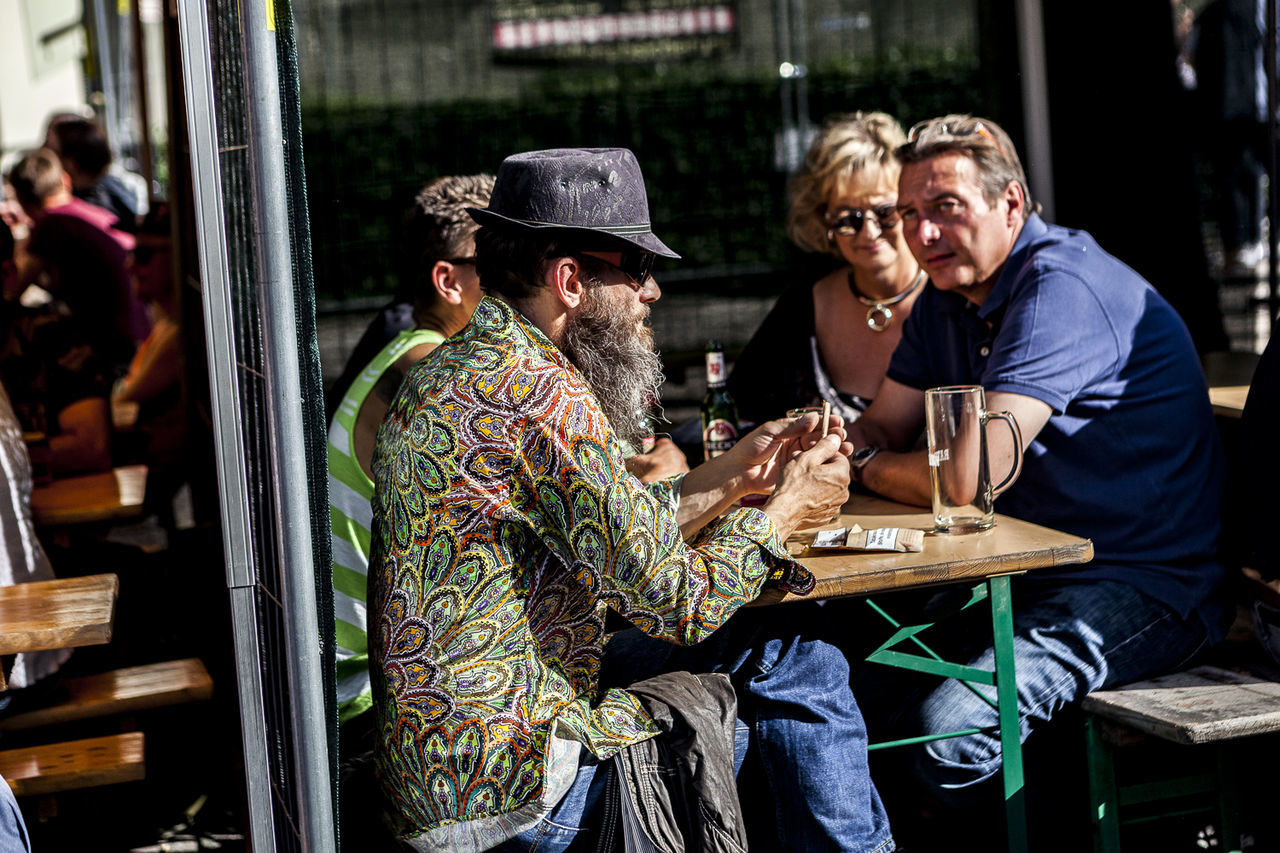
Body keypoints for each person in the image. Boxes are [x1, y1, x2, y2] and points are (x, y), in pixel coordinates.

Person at [368, 148, 893, 852]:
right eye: (638, 270)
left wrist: (737, 474)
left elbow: (609, 532)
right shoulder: (542, 393)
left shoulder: (451, 369)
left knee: (778, 667)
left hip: (436, 774)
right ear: (570, 281)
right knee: (794, 661)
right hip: (514, 787)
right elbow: (675, 602)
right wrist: (782, 512)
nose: (652, 294)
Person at [847, 115, 1230, 824]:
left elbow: (968, 480)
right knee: (848, 694)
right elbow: (880, 421)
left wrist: (864, 465)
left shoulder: (1060, 287)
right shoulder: (945, 298)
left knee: (945, 734)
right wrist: (855, 447)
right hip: (1019, 579)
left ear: (1012, 204)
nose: (921, 235)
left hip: (1147, 584)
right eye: (909, 215)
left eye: (945, 208)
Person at [329, 174, 494, 728]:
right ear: (449, 280)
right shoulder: (429, 377)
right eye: (500, 258)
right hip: (369, 707)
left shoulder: (412, 352)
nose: (520, 278)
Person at [729, 112, 925, 427]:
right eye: (849, 218)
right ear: (825, 221)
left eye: (885, 213)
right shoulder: (802, 308)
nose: (869, 232)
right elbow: (735, 412)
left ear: (912, 207)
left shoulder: (948, 300)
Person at [6, 148, 145, 373]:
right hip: (141, 336)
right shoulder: (89, 214)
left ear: (21, 199)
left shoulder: (53, 222)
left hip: (117, 349)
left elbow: (13, 289)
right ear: (65, 181)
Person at [44, 113, 145, 233]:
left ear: (70, 163)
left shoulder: (72, 215)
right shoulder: (117, 193)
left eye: (52, 153)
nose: (45, 158)